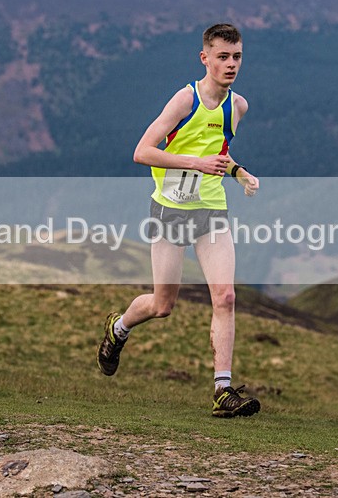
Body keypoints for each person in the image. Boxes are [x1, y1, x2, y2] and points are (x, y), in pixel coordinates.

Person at [97, 23, 261, 418]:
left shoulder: (237, 107)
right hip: (170, 211)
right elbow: (142, 152)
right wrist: (195, 163)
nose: (231, 64)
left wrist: (239, 174)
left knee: (225, 296)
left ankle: (223, 389)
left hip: (211, 211)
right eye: (222, 56)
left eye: (236, 56)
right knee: (162, 305)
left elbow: (219, 153)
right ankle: (118, 328)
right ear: (205, 58)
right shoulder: (184, 99)